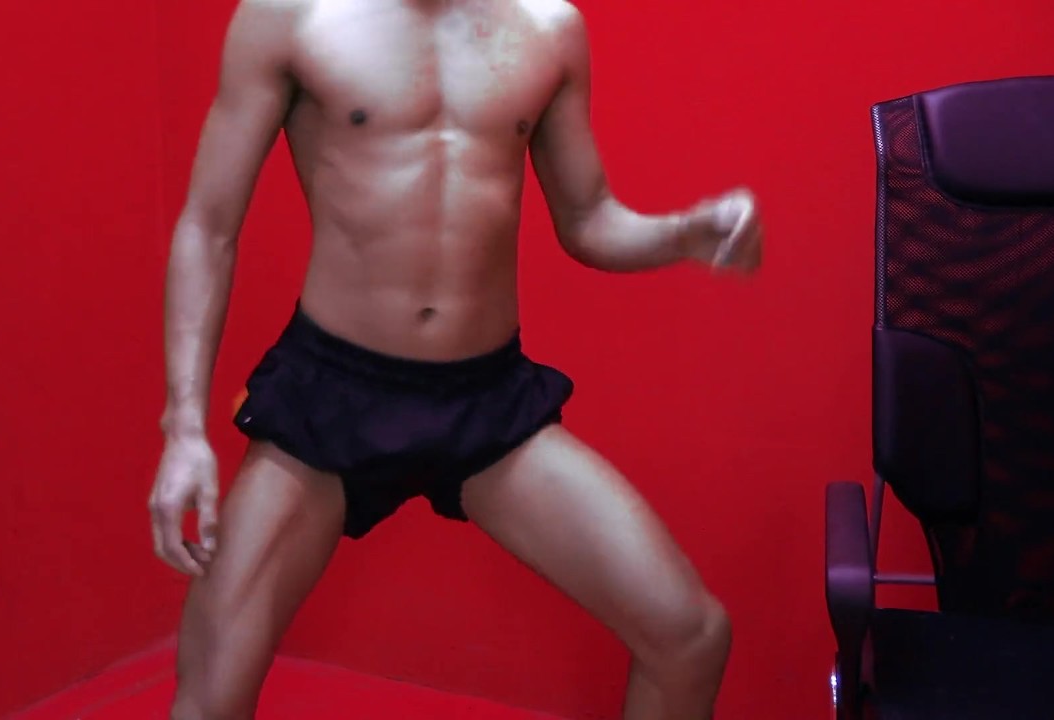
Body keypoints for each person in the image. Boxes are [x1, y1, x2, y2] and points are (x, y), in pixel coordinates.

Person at [149, 0, 762, 718]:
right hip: (333, 395)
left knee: (690, 636)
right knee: (211, 695)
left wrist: (682, 234)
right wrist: (184, 427)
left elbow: (589, 218)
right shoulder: (292, 18)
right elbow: (209, 227)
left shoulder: (547, 29)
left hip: (485, 398)